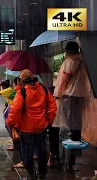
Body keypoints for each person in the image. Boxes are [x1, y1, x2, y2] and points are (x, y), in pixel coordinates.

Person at [7, 69, 57, 180]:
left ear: (22, 81)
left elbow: (14, 111)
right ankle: (42, 174)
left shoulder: (22, 93)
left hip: (26, 129)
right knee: (42, 151)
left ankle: (31, 175)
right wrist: (48, 121)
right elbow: (52, 108)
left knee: (27, 154)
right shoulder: (44, 90)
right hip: (41, 128)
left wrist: (10, 124)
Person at [53, 41, 90, 171]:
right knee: (76, 128)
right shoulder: (83, 60)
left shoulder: (69, 61)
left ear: (68, 51)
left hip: (68, 96)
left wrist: (58, 94)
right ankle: (72, 160)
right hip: (80, 96)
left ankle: (65, 159)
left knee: (66, 127)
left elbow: (64, 79)